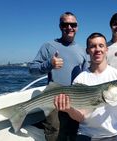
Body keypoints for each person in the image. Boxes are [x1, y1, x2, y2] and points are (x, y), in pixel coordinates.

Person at [54, 32, 117, 141]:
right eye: (93, 46)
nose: (97, 49)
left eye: (101, 45)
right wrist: (68, 109)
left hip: (114, 134)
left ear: (106, 49)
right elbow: (81, 117)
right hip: (86, 134)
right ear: (87, 51)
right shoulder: (80, 79)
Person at [29, 12, 89, 141]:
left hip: (76, 101)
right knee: (55, 134)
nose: (69, 27)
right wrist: (48, 64)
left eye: (73, 24)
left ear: (77, 27)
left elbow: (86, 77)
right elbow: (32, 70)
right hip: (53, 101)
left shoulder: (83, 50)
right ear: (60, 26)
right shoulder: (48, 46)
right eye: (65, 24)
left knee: (75, 133)